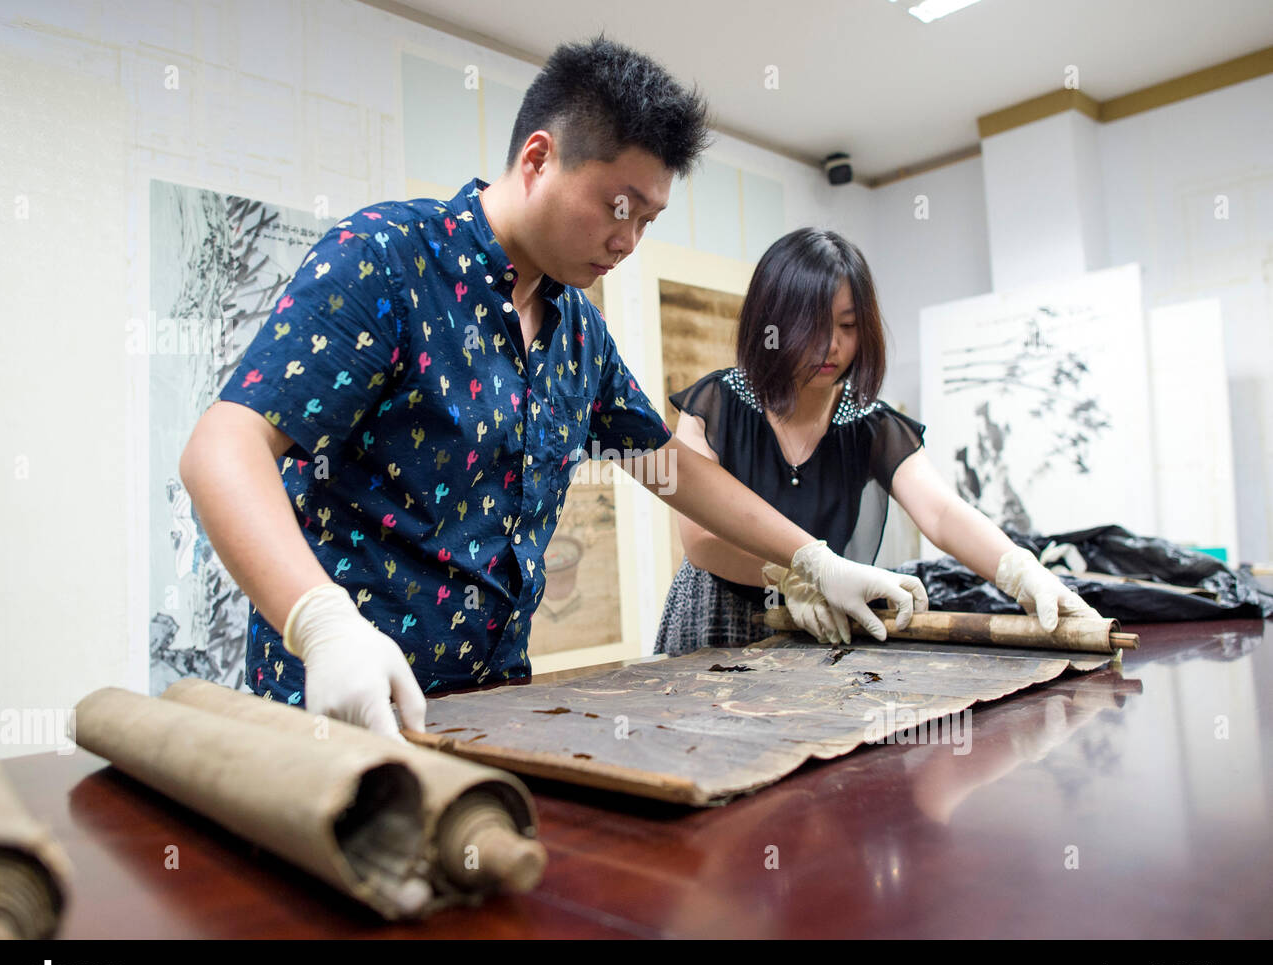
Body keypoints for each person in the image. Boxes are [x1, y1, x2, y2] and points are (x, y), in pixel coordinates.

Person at [178, 38, 931, 740]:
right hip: (341, 705)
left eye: (648, 220)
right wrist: (320, 625)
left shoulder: (577, 334)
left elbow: (669, 467)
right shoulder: (388, 260)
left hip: (495, 709)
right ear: (539, 159)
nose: (628, 241)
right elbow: (222, 447)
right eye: (618, 207)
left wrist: (815, 561)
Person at [655, 227, 1100, 656]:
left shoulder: (871, 426)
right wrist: (790, 579)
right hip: (717, 621)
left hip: (821, 623)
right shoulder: (718, 404)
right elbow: (701, 539)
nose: (831, 346)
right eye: (811, 327)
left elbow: (942, 513)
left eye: (847, 326)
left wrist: (1021, 571)